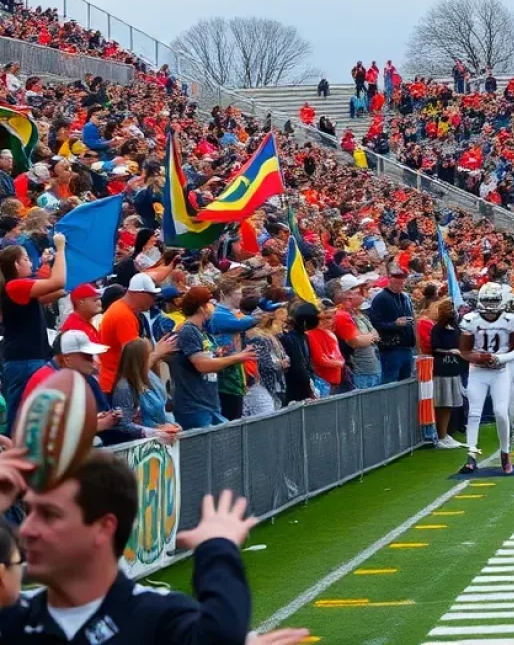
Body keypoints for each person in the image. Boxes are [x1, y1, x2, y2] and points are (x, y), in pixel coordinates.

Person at [0, 448, 309, 643]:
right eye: (28, 512)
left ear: (104, 527)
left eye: (49, 515)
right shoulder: (13, 614)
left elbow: (220, 636)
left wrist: (216, 547)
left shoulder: (156, 616)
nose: (26, 530)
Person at [0, 231, 66, 433]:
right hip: (24, 361)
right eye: (26, 259)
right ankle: (14, 457)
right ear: (16, 265)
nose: (30, 263)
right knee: (21, 415)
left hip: (29, 359)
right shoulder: (15, 286)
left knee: (32, 415)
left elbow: (58, 291)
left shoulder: (19, 289)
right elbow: (58, 282)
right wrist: (61, 248)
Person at [170, 285, 256, 429]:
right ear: (201, 307)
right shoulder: (188, 330)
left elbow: (209, 356)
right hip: (194, 407)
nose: (212, 307)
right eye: (209, 303)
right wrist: (237, 358)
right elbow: (202, 365)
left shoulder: (204, 332)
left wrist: (221, 354)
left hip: (211, 403)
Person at [459, 282, 514, 476]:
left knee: (501, 412)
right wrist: (479, 357)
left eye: (495, 300)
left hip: (500, 371)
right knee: (474, 413)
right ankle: (471, 455)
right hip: (478, 370)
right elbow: (464, 351)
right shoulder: (471, 320)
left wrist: (499, 358)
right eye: (488, 300)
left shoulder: (510, 320)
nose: (492, 305)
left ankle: (505, 452)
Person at [98, 273, 177, 395]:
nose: (154, 300)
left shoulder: (123, 309)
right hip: (116, 387)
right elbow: (134, 368)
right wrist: (158, 353)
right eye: (152, 295)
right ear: (140, 294)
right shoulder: (124, 316)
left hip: (115, 383)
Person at [111, 337, 179, 436]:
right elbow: (123, 424)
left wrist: (172, 425)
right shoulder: (124, 387)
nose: (153, 358)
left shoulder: (150, 378)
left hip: (160, 439)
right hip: (139, 444)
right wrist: (155, 431)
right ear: (141, 359)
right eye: (150, 355)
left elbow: (163, 407)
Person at [369, 262, 416, 384]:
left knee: (405, 380)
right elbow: (376, 324)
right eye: (396, 282)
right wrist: (395, 324)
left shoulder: (405, 297)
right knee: (390, 381)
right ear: (389, 280)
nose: (399, 285)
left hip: (406, 346)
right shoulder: (381, 298)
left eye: (402, 282)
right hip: (391, 347)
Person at [431, 299, 466, 449]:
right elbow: (435, 348)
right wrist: (450, 352)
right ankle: (441, 435)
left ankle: (446, 434)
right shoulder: (437, 329)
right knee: (443, 403)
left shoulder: (456, 329)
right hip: (442, 370)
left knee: (451, 404)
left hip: (454, 370)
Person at [333, 286, 382, 389]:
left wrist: (368, 337)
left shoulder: (356, 313)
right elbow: (355, 341)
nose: (352, 301)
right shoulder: (341, 315)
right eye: (349, 299)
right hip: (360, 369)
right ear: (343, 301)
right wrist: (371, 337)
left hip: (372, 365)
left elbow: (375, 333)